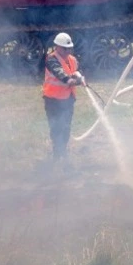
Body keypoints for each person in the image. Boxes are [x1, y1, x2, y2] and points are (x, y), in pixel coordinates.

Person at [42, 32, 84, 166]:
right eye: (65, 48)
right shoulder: (51, 59)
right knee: (56, 128)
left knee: (66, 127)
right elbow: (61, 75)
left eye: (69, 48)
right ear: (57, 47)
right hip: (53, 101)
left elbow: (76, 70)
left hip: (67, 100)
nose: (68, 51)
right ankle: (57, 154)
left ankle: (63, 152)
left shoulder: (72, 59)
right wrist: (72, 81)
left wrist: (80, 77)